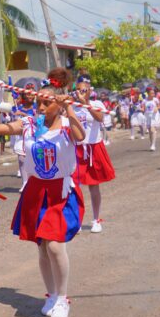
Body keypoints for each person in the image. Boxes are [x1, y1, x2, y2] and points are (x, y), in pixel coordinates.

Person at [0, 68, 86, 317]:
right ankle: (51, 295)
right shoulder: (29, 124)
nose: (40, 107)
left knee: (54, 244)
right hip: (35, 190)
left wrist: (70, 110)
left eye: (46, 102)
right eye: (38, 101)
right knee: (42, 248)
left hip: (59, 192)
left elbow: (80, 136)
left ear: (58, 102)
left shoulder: (66, 126)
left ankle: (63, 298)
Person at [72, 77, 116, 233]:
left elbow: (100, 118)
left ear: (90, 91)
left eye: (84, 90)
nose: (81, 93)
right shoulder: (72, 107)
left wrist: (86, 103)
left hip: (93, 148)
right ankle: (76, 220)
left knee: (93, 186)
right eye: (78, 90)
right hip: (77, 149)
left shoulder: (96, 104)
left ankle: (96, 219)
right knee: (73, 187)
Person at [143, 86, 160, 152]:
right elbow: (143, 109)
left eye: (153, 93)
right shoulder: (144, 100)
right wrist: (138, 108)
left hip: (155, 116)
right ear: (148, 93)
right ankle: (152, 143)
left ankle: (153, 145)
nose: (153, 94)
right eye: (151, 93)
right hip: (148, 116)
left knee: (153, 130)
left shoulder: (155, 99)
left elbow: (159, 106)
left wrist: (157, 108)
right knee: (150, 131)